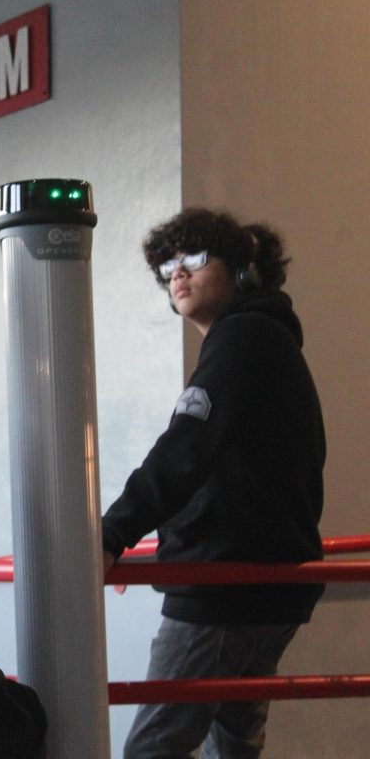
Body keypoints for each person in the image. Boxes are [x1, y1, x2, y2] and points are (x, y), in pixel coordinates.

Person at [100, 209, 325, 759]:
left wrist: (109, 535)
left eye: (195, 259)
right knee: (232, 748)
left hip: (225, 588)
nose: (178, 273)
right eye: (167, 265)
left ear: (243, 270)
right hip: (271, 583)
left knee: (155, 750)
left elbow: (185, 450)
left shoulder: (243, 338)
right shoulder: (264, 339)